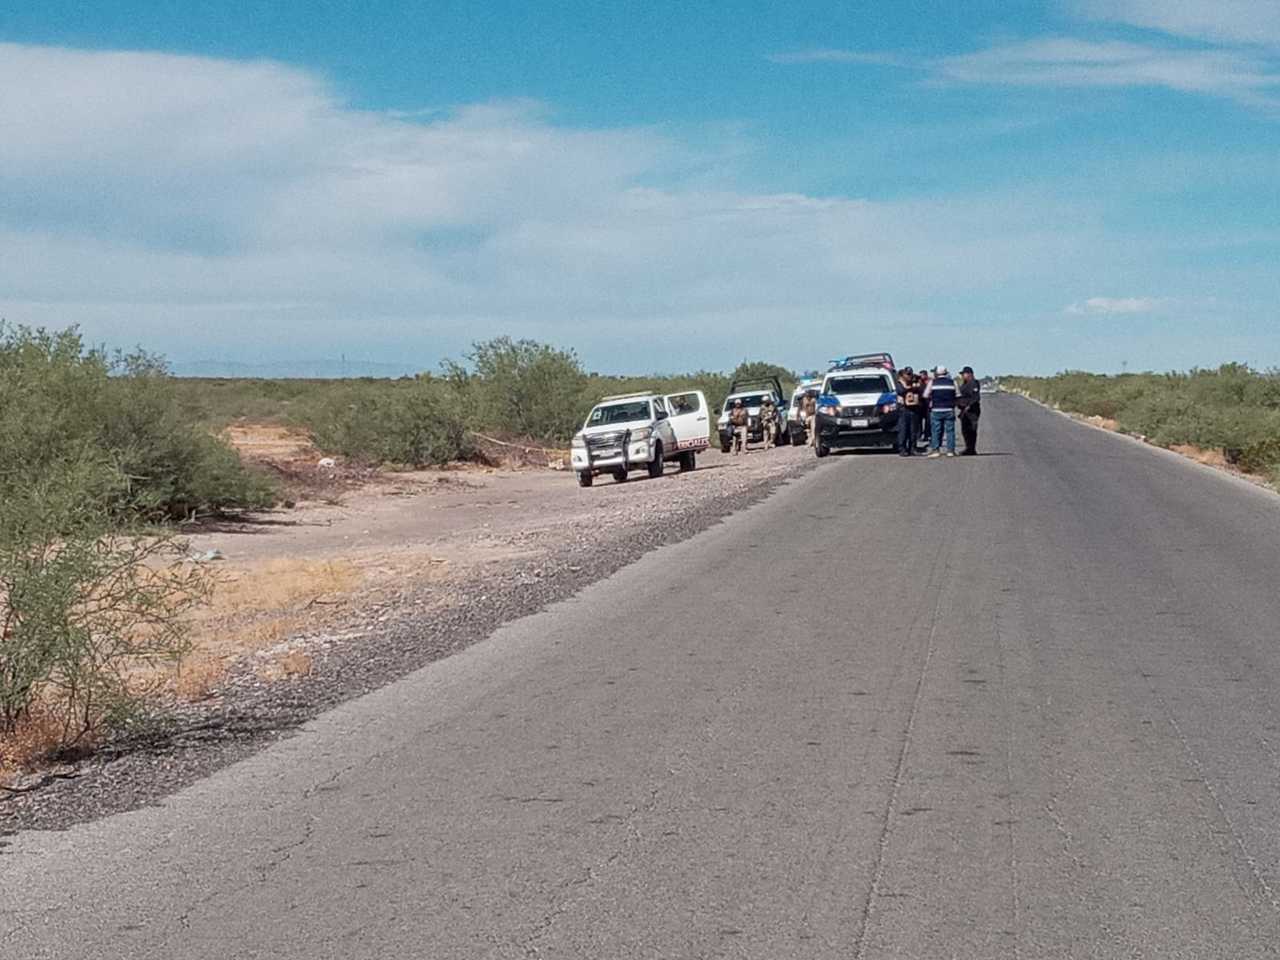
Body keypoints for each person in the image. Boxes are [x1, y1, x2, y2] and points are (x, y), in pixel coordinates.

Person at [924, 365, 957, 457]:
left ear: (936, 373)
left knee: (936, 430)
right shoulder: (952, 382)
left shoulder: (932, 383)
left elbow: (925, 395)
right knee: (950, 431)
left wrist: (932, 399)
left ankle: (936, 450)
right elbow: (958, 395)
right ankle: (950, 450)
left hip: (936, 409)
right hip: (949, 409)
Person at [956, 366, 981, 456]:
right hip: (964, 411)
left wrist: (968, 406)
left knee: (971, 429)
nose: (962, 376)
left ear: (969, 374)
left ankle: (971, 449)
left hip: (972, 410)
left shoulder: (974, 383)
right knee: (965, 430)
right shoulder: (964, 384)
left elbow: (975, 397)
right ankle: (968, 447)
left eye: (964, 374)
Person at [895, 367, 919, 456]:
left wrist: (914, 384)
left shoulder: (914, 383)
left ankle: (913, 448)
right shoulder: (899, 383)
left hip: (913, 409)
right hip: (903, 409)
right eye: (907, 374)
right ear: (903, 375)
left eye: (910, 374)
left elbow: (919, 391)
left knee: (913, 431)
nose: (909, 376)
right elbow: (901, 391)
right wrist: (910, 387)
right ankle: (902, 449)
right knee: (903, 430)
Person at [914, 369, 931, 451]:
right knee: (918, 421)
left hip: (927, 405)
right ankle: (919, 434)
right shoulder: (918, 383)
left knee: (928, 421)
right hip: (920, 405)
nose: (921, 377)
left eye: (922, 375)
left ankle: (927, 435)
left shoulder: (929, 383)